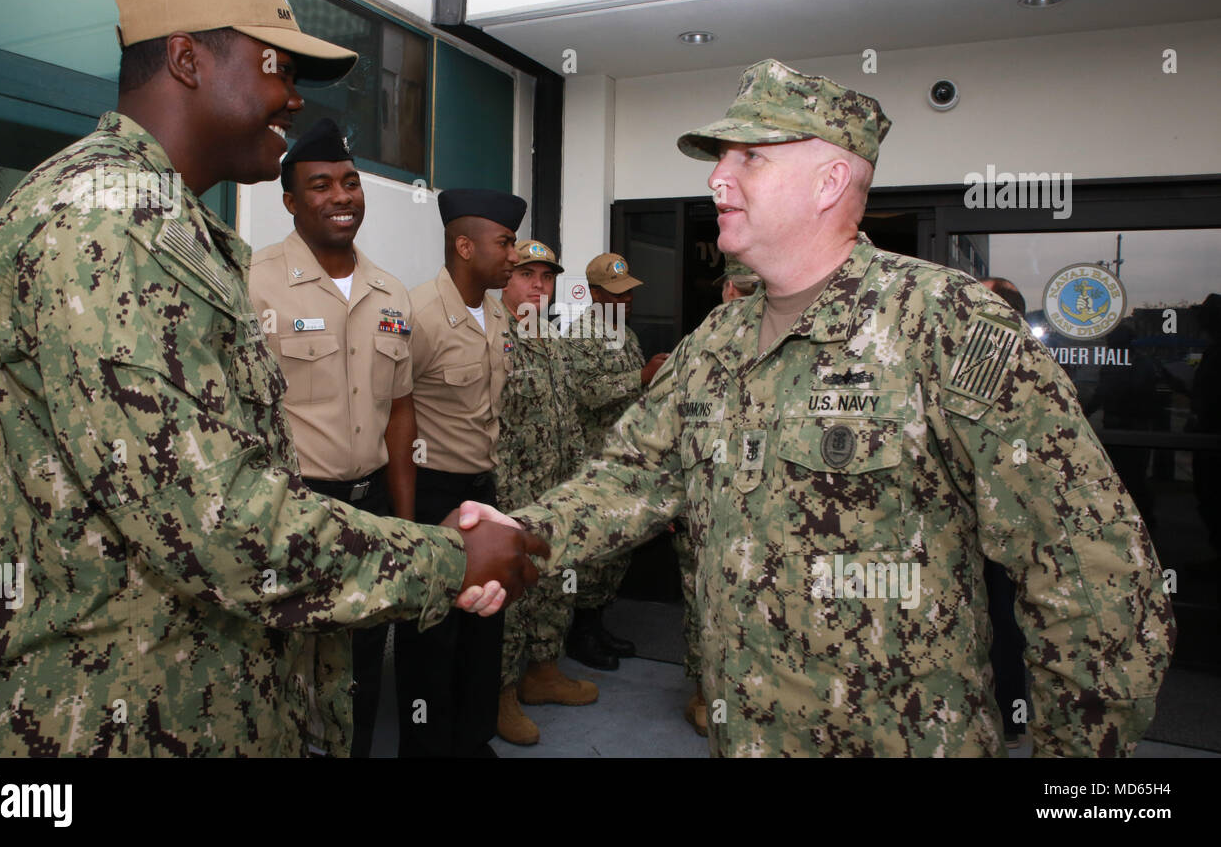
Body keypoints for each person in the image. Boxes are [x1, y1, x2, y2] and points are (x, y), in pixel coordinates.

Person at [467, 58, 1175, 756]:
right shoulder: (720, 338)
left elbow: (1091, 569)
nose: (718, 177)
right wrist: (521, 532)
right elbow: (631, 474)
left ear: (830, 180)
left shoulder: (946, 321)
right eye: (721, 160)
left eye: (750, 158)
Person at [0, 0, 543, 758]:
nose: (292, 101)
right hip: (113, 717)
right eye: (277, 70)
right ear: (189, 60)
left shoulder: (175, 227)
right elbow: (215, 523)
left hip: (196, 694)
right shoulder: (108, 224)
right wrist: (449, 556)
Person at [249, 118, 417, 756]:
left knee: (362, 662)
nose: (342, 196)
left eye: (350, 183)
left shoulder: (390, 291)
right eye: (320, 185)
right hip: (289, 509)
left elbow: (401, 415)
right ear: (290, 200)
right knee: (285, 664)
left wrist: (403, 524)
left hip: (370, 505)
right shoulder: (251, 283)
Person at [395, 187, 524, 757]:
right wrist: (405, 522)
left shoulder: (496, 311)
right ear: (465, 246)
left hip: (481, 489)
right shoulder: (416, 312)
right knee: (430, 634)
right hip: (430, 492)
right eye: (505, 243)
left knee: (482, 627)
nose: (514, 255)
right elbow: (392, 415)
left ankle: (472, 742)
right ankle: (426, 749)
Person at [495, 240, 598, 746]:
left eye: (547, 276)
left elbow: (570, 417)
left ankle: (543, 673)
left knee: (556, 584)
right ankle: (502, 693)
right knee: (511, 596)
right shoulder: (492, 336)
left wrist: (579, 482)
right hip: (512, 497)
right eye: (527, 274)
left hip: (556, 494)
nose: (539, 285)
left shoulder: (552, 339)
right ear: (505, 278)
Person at [563, 252, 669, 669]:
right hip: (594, 460)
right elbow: (585, 394)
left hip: (624, 459)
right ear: (593, 293)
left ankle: (598, 622)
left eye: (628, 295)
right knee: (595, 550)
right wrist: (640, 377)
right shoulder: (580, 334)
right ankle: (581, 634)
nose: (625, 302)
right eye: (616, 294)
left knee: (617, 549)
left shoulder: (625, 334)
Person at [682, 251, 761, 736]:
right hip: (706, 513)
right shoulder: (700, 349)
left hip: (759, 523)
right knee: (702, 605)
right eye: (741, 289)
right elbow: (667, 438)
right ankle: (705, 695)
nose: (744, 299)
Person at [978, 276, 1031, 749]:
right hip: (987, 516)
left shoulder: (1013, 364)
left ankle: (1009, 716)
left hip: (1008, 517)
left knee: (1005, 614)